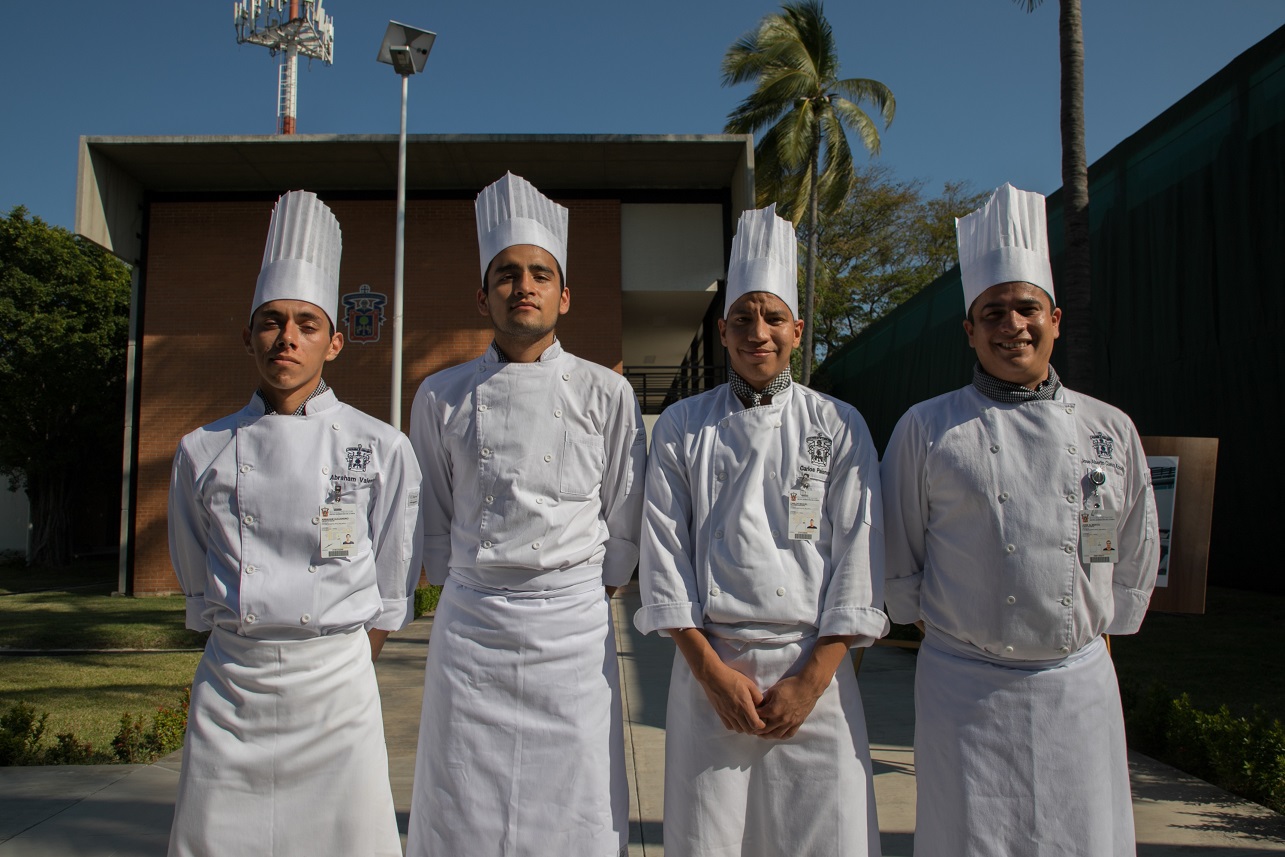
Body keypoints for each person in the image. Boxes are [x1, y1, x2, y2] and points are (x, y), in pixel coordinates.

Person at [881, 183, 1159, 856]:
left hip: (1077, 685)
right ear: (969, 329)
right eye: (993, 311)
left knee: (1081, 836)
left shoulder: (1107, 428)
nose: (1013, 325)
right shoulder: (927, 426)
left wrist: (1097, 628)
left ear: (1055, 317)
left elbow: (1130, 543)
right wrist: (945, 622)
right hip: (963, 686)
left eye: (1026, 307)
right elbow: (898, 550)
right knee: (969, 836)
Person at [167, 190, 423, 857]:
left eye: (306, 323)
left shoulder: (382, 446)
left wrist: (344, 657)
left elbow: (393, 572)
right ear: (248, 335)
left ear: (334, 341)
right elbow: (196, 571)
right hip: (233, 685)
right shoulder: (201, 448)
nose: (287, 337)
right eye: (272, 321)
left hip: (337, 686)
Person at [634, 205, 888, 857]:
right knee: (710, 840)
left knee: (820, 838)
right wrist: (712, 675)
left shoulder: (837, 424)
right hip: (710, 673)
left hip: (814, 674)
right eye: (743, 318)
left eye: (772, 317)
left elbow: (858, 558)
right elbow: (664, 560)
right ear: (722, 331)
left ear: (797, 330)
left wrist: (810, 680)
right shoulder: (682, 425)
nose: (758, 332)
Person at [407, 172, 646, 857]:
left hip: (570, 624)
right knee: (463, 794)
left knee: (576, 792)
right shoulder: (440, 395)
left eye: (539, 273)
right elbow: (437, 506)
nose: (523, 286)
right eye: (506, 274)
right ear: (482, 295)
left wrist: (596, 580)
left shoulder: (608, 391)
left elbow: (620, 502)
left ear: (564, 295)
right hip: (473, 621)